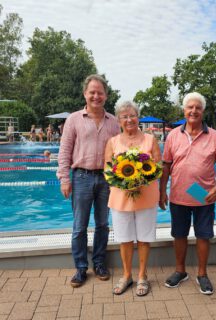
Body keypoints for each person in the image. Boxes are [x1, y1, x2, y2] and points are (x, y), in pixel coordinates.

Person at [159, 92, 216, 295]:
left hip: (203, 195)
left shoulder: (214, 136)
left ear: (203, 111)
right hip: (179, 193)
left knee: (203, 235)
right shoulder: (173, 135)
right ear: (184, 110)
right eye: (190, 107)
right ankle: (180, 271)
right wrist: (162, 190)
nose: (193, 111)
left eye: (198, 107)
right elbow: (166, 165)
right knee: (179, 234)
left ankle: (202, 274)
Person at [57, 74, 120, 288]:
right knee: (79, 226)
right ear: (85, 94)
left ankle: (100, 263)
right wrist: (65, 178)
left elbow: (120, 153)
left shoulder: (114, 122)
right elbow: (64, 151)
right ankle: (81, 268)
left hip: (106, 179)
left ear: (106, 95)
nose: (96, 96)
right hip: (81, 177)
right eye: (92, 92)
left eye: (100, 92)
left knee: (103, 224)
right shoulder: (74, 119)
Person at [104, 101, 161, 297]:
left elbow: (158, 167)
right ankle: (127, 275)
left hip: (146, 195)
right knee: (125, 239)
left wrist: (142, 179)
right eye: (124, 116)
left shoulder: (150, 140)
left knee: (144, 239)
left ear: (138, 117)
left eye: (132, 115)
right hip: (121, 197)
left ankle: (143, 276)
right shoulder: (112, 142)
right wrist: (122, 182)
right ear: (119, 120)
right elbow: (107, 168)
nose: (129, 119)